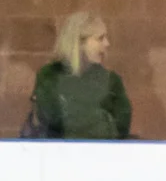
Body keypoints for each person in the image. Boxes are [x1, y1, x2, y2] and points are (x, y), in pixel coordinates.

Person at [24, 11, 131, 140]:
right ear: (79, 43)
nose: (107, 43)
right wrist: (102, 118)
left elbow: (122, 126)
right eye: (100, 38)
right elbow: (53, 119)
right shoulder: (50, 75)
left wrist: (72, 110)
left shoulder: (112, 81)